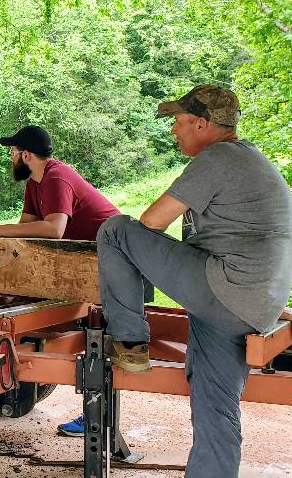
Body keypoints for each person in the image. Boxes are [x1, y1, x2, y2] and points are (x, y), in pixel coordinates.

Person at [97, 85, 292, 477]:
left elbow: (152, 221)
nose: (174, 130)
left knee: (116, 230)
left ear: (203, 124)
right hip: (250, 305)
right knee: (214, 406)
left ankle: (131, 341)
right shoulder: (250, 159)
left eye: (179, 122)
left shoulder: (219, 157)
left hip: (226, 288)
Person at [0, 125, 120, 436]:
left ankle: (98, 418)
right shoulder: (35, 184)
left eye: (12, 153)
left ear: (26, 155)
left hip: (116, 258)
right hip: (90, 261)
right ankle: (96, 416)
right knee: (99, 338)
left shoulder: (56, 176)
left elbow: (54, 230)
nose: (11, 158)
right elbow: (27, 228)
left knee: (106, 341)